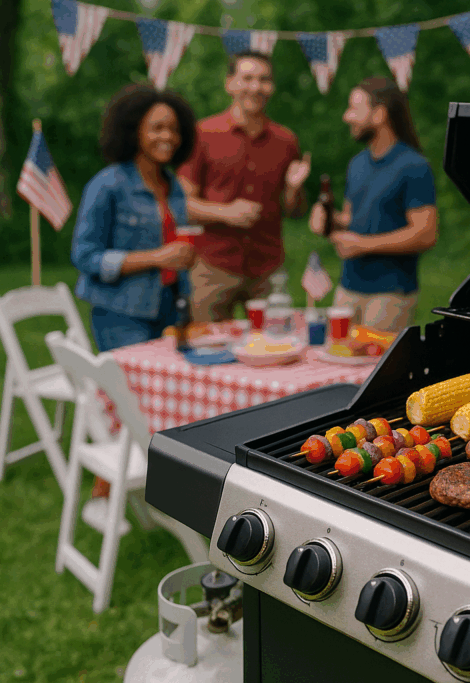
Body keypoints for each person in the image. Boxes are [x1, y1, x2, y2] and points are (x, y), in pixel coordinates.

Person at [71, 82, 197, 500]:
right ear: (134, 131)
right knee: (128, 403)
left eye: (174, 129)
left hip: (168, 306)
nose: (168, 137)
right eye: (157, 127)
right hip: (121, 313)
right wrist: (157, 257)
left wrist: (182, 269)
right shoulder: (108, 185)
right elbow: (85, 255)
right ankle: (103, 490)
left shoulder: (172, 184)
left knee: (166, 399)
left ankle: (160, 486)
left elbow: (173, 246)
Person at [177, 50, 311, 323]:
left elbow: (295, 211)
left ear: (271, 87)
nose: (255, 87)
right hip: (213, 267)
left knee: (274, 347)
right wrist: (225, 213)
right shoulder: (203, 134)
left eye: (264, 80)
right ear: (229, 83)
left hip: (268, 270)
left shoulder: (286, 141)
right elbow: (180, 204)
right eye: (247, 78)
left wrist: (294, 189)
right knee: (206, 353)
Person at [309, 76, 437, 332]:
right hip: (347, 288)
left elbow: (425, 234)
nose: (347, 117)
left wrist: (363, 245)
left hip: (389, 294)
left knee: (373, 369)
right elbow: (352, 218)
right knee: (337, 361)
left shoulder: (414, 166)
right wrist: (328, 219)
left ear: (379, 114)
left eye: (354, 109)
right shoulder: (357, 164)